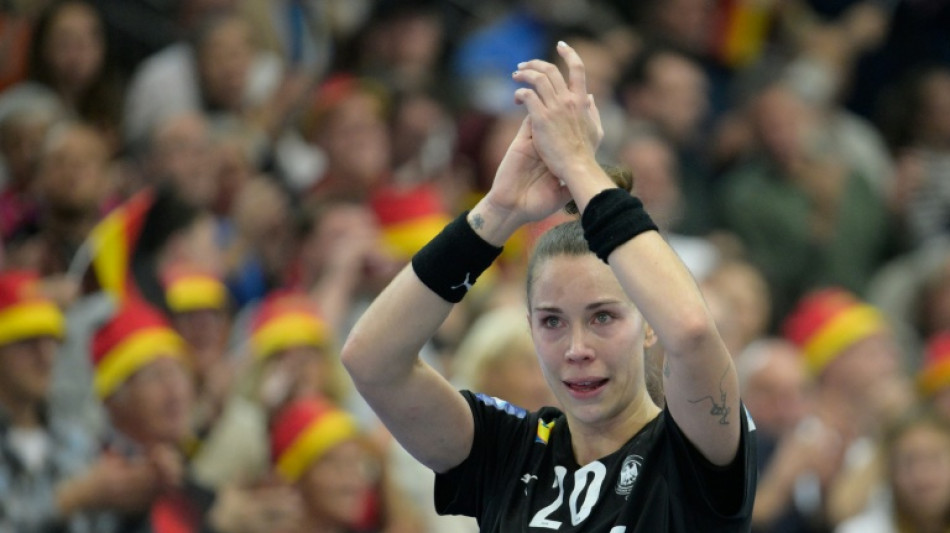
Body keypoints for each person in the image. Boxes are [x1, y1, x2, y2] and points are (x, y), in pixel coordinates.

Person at [342, 42, 756, 531]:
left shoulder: (693, 449)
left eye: (603, 316)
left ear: (648, 325)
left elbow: (690, 331)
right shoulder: (509, 449)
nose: (576, 348)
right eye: (552, 321)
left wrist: (581, 165)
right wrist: (498, 212)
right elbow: (371, 360)